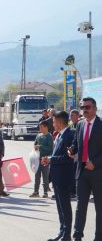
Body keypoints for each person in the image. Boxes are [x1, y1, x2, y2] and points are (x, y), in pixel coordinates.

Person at [70, 97, 102, 241]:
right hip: (82, 171)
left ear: (95, 108)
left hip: (98, 172)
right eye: (83, 107)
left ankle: (98, 236)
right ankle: (77, 235)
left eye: (88, 107)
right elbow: (76, 144)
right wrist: (71, 149)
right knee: (80, 206)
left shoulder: (101, 125)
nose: (85, 110)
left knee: (99, 208)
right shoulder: (80, 124)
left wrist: (95, 162)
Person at [42, 111, 75, 241]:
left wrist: (51, 159)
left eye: (54, 122)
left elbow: (68, 158)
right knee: (60, 206)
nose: (53, 124)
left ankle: (67, 235)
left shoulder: (70, 135)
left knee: (65, 207)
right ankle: (62, 232)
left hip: (64, 176)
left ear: (60, 122)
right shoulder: (59, 135)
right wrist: (48, 159)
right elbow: (56, 155)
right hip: (56, 176)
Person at [30, 120, 53, 198]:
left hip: (45, 160)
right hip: (37, 159)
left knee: (45, 177)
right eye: (39, 127)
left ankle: (45, 192)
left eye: (41, 127)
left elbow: (50, 148)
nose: (40, 129)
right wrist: (35, 147)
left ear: (46, 127)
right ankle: (36, 192)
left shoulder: (49, 137)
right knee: (37, 177)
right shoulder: (38, 135)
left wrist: (41, 147)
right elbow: (35, 143)